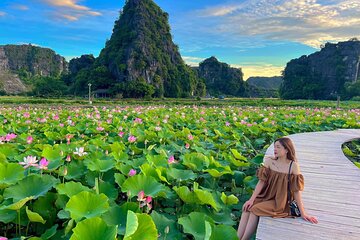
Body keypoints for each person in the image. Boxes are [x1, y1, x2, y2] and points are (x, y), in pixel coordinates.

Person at [237, 137, 318, 240]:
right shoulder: (269, 161)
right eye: (274, 147)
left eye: (278, 147)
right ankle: (237, 238)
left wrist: (303, 213)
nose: (275, 149)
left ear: (286, 150)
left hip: (281, 201)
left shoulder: (293, 166)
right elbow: (261, 182)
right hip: (266, 195)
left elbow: (296, 191)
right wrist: (251, 200)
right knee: (246, 208)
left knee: (255, 209)